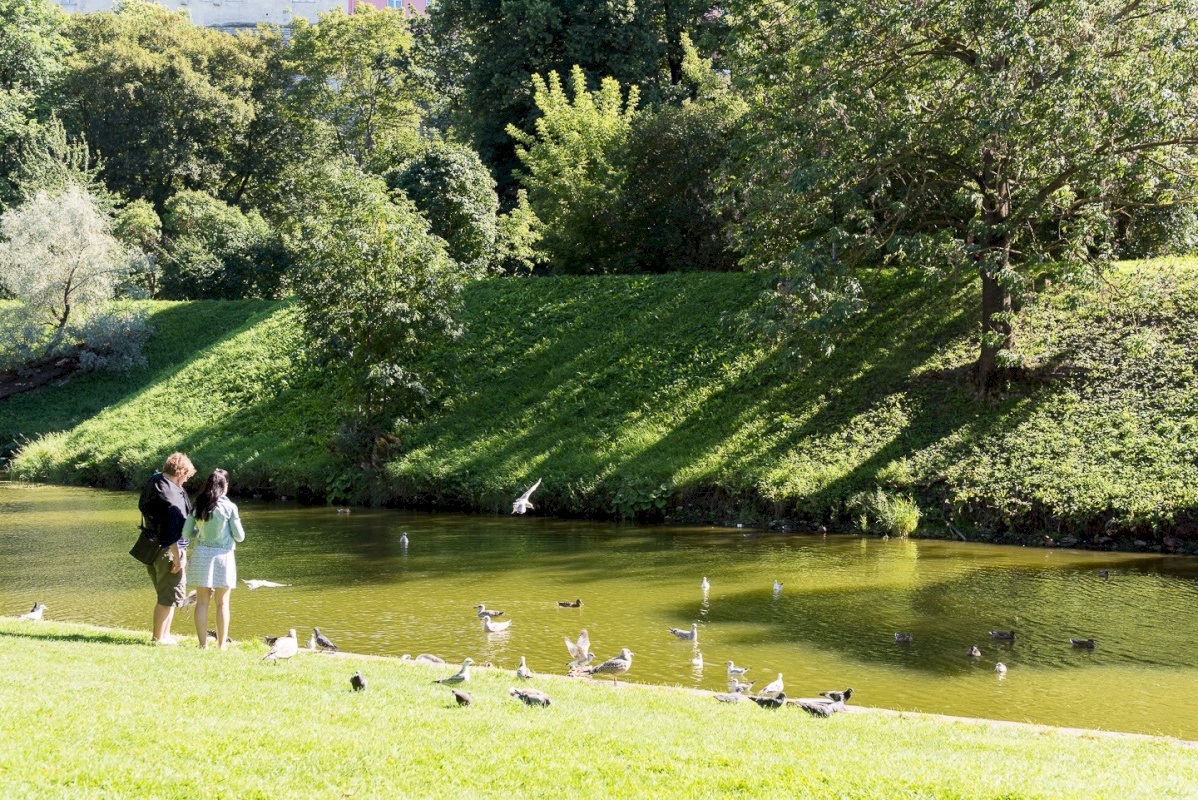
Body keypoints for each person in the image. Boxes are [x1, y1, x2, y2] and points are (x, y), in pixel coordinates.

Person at [185, 468, 245, 650]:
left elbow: (186, 533)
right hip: (223, 557)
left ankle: (202, 644)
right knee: (222, 603)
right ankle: (221, 645)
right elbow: (240, 536)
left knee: (202, 602)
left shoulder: (198, 506)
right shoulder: (230, 507)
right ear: (224, 486)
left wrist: (201, 533)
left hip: (202, 554)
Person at [139, 452, 196, 644]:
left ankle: (166, 635)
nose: (186, 481)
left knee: (170, 595)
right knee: (167, 597)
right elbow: (169, 532)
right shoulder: (170, 498)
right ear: (181, 473)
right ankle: (158, 638)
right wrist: (179, 557)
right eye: (187, 477)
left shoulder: (155, 482)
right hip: (168, 552)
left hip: (152, 548)